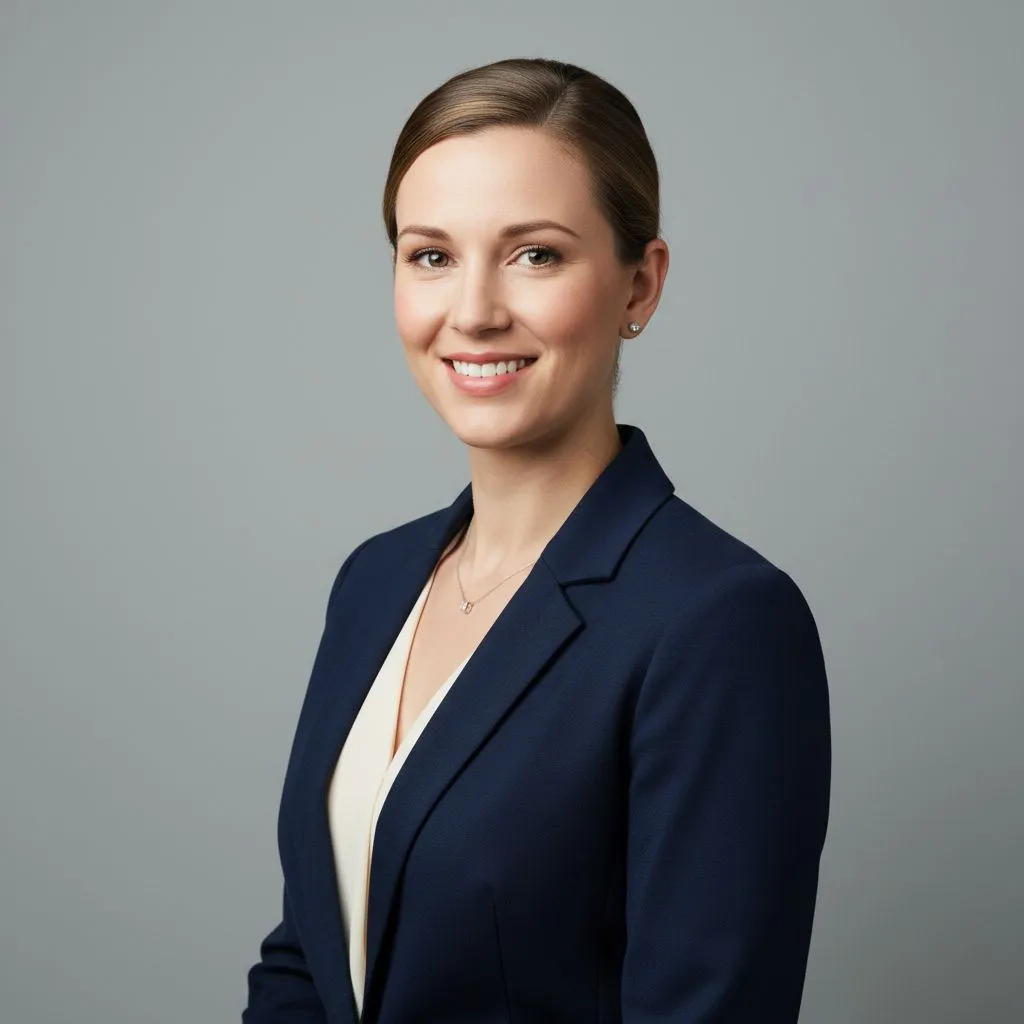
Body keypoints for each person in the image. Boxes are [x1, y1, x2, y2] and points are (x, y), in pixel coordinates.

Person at [242, 57, 831, 1024]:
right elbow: (310, 958)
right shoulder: (375, 580)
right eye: (431, 255)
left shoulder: (718, 621)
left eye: (536, 255)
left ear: (640, 285)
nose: (472, 311)